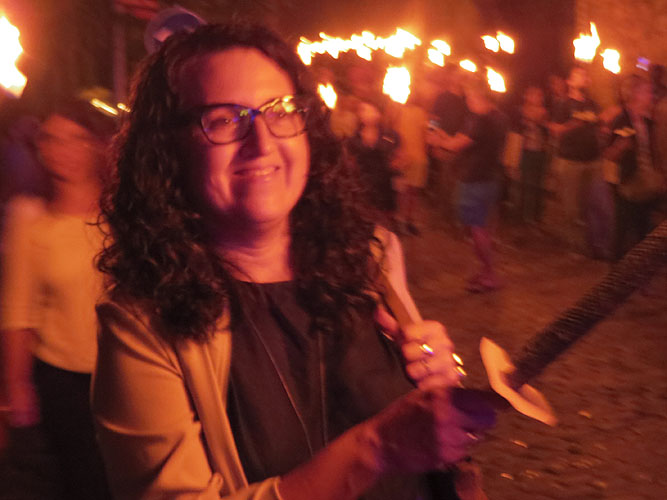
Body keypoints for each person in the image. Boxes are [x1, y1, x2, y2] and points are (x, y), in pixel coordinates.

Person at [91, 24, 495, 500]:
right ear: (168, 150)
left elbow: (422, 410)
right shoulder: (142, 326)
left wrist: (434, 370)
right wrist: (374, 448)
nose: (262, 144)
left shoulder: (367, 255)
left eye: (281, 110)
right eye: (224, 120)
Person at [0, 99, 113, 499]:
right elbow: (18, 310)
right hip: (64, 380)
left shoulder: (124, 215)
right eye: (51, 139)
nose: (62, 150)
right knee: (82, 480)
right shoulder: (32, 219)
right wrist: (17, 386)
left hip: (126, 371)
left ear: (96, 144)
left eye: (75, 138)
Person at [427, 77, 507, 292]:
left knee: (477, 230)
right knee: (481, 228)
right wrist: (440, 134)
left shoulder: (481, 120)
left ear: (479, 96)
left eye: (470, 96)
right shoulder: (498, 117)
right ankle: (485, 271)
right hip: (489, 178)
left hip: (476, 180)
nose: (468, 101)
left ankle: (489, 274)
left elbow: (456, 144)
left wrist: (438, 141)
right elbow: (461, 140)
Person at [604, 77, 666, 259]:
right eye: (647, 91)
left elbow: (654, 152)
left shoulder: (648, 121)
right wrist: (620, 147)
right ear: (635, 94)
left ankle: (638, 268)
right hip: (627, 186)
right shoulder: (620, 120)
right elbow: (607, 155)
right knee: (622, 232)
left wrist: (660, 176)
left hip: (647, 184)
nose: (651, 95)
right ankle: (616, 269)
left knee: (643, 230)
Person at [518, 86, 549, 225]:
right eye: (534, 95)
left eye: (539, 95)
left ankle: (534, 215)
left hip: (539, 151)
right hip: (526, 150)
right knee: (526, 182)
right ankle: (525, 214)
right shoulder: (522, 109)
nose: (538, 98)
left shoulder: (543, 111)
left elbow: (539, 120)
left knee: (537, 183)